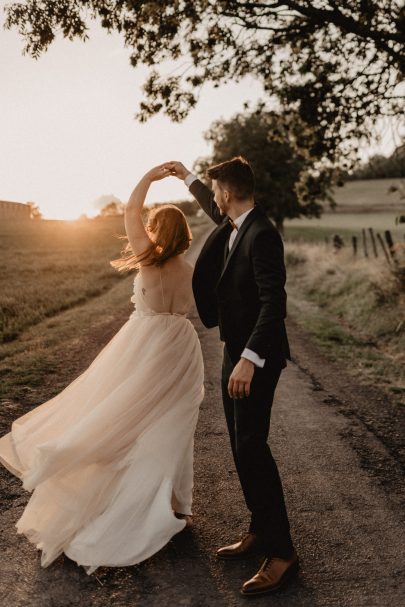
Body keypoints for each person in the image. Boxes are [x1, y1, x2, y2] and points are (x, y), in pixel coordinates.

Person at [0, 164, 204, 574]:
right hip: (181, 348)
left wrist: (149, 177)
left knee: (117, 417)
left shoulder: (147, 259)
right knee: (172, 427)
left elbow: (131, 210)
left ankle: (121, 496)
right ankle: (174, 505)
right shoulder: (192, 273)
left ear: (156, 231)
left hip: (144, 345)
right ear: (184, 235)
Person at [166, 156, 298, 597]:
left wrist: (250, 358)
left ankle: (282, 555)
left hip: (253, 359)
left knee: (252, 448)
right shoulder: (236, 222)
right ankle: (260, 529)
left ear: (229, 193)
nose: (214, 197)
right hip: (233, 352)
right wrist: (186, 177)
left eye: (215, 189)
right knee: (241, 446)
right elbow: (209, 205)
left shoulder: (262, 235)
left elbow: (272, 304)